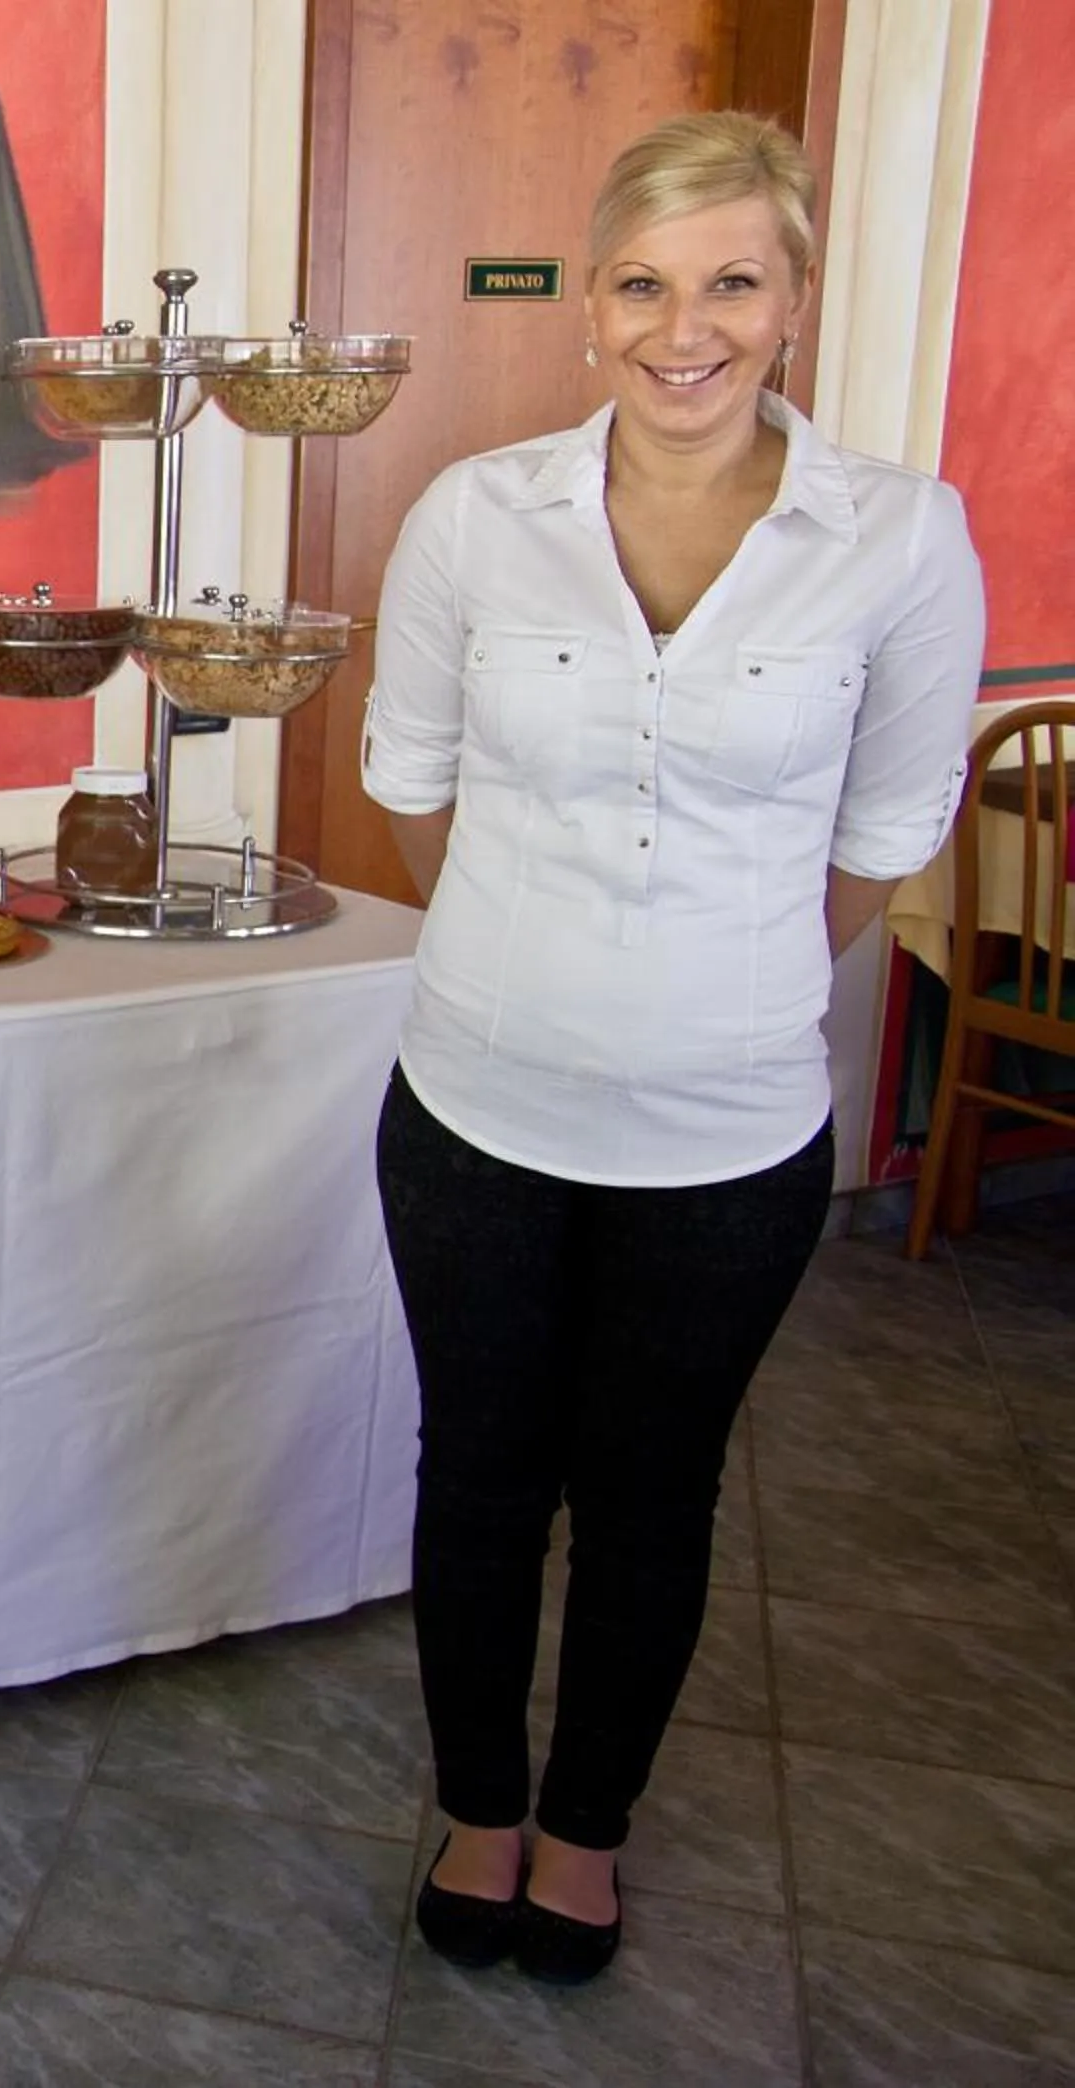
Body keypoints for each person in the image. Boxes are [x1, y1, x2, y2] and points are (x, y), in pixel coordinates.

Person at [361, 112, 984, 1984]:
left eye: (730, 279)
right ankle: (480, 1804)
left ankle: (589, 1829)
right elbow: (414, 796)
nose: (681, 323)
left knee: (652, 1492)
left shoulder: (898, 536)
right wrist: (549, 959)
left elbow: (886, 838)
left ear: (792, 302)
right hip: (474, 1103)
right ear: (591, 308)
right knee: (478, 1471)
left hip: (729, 1139)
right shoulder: (476, 515)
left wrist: (698, 984)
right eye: (643, 282)